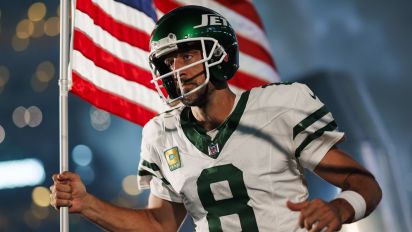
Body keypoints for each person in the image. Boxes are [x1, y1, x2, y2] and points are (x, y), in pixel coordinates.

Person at [50, 5, 382, 232]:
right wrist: (87, 204)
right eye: (168, 63)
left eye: (188, 55)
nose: (177, 70)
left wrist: (339, 209)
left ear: (220, 54)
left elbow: (364, 184)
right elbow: (159, 225)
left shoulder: (278, 108)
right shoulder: (162, 133)